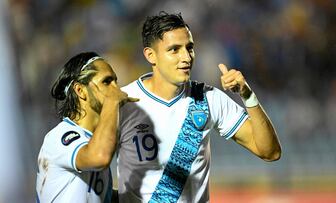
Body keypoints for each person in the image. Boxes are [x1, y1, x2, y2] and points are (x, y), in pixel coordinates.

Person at [117, 12, 282, 203]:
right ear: (150, 55)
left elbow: (270, 152)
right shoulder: (123, 102)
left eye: (190, 48)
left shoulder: (208, 99)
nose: (186, 57)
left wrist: (247, 95)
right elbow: (92, 167)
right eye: (174, 50)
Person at [36, 52, 138, 203]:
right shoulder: (59, 137)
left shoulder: (95, 141)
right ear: (80, 90)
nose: (117, 89)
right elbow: (99, 157)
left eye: (115, 81)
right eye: (107, 82)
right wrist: (112, 101)